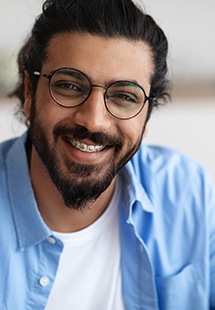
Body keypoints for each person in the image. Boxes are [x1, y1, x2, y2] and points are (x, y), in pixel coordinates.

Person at [0, 0, 214, 309]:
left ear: (148, 114)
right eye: (70, 86)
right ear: (30, 92)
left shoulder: (187, 190)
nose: (94, 120)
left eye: (124, 96)